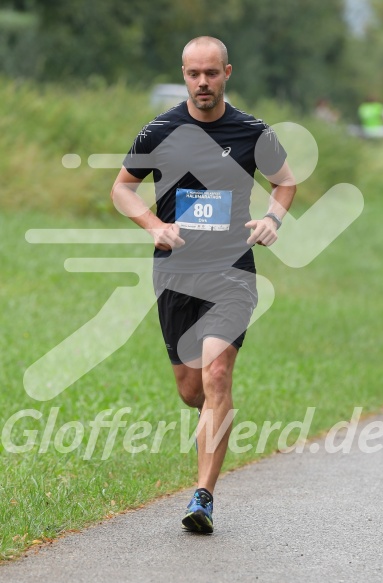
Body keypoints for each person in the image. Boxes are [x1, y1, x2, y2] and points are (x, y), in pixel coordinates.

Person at [111, 36, 296, 534]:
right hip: (175, 274)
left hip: (232, 272)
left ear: (227, 73)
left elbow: (286, 181)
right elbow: (121, 187)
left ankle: (203, 496)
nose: (202, 82)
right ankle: (215, 413)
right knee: (192, 391)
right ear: (184, 74)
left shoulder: (252, 131)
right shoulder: (161, 129)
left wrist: (273, 218)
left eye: (211, 73)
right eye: (193, 73)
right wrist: (155, 227)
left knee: (216, 375)